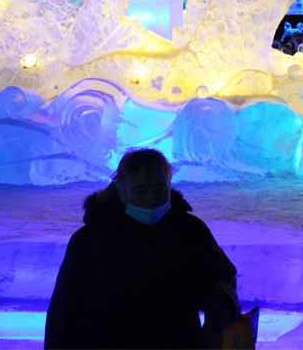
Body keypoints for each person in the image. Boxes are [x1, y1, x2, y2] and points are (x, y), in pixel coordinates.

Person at [45, 148, 240, 349]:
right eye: (141, 190)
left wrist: (221, 302)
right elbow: (65, 310)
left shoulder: (190, 230)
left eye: (160, 189)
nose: (151, 198)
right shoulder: (89, 240)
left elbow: (220, 274)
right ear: (121, 191)